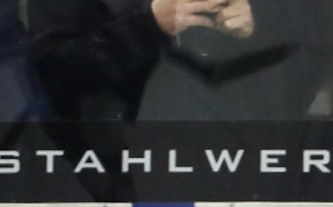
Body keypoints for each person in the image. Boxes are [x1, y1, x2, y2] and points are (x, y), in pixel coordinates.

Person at [27, 0, 255, 122]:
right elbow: (55, 77)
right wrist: (149, 26)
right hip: (119, 138)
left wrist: (244, 25)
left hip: (223, 130)